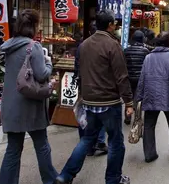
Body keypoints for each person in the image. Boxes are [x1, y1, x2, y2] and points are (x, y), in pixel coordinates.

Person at [56, 10, 133, 184]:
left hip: (89, 100)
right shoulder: (113, 45)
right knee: (115, 142)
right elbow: (121, 76)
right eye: (114, 23)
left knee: (87, 139)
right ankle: (113, 179)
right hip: (109, 101)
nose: (115, 26)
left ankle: (65, 175)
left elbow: (81, 71)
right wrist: (129, 101)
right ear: (110, 25)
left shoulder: (84, 45)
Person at [0, 9, 57, 184]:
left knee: (13, 149)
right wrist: (49, 63)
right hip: (30, 106)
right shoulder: (34, 46)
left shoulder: (8, 46)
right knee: (42, 146)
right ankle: (50, 180)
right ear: (34, 27)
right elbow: (41, 74)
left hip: (11, 106)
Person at [136, 32, 169, 163]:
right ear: (168, 43)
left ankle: (149, 154)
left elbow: (142, 78)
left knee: (149, 125)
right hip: (167, 95)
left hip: (150, 95)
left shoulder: (148, 57)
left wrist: (138, 96)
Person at [75, 23, 107, 157]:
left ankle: (86, 143)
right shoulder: (105, 45)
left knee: (84, 114)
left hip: (85, 85)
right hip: (100, 86)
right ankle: (98, 141)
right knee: (101, 114)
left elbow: (77, 66)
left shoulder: (82, 46)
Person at [123, 30, 150, 124]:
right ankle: (137, 118)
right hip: (140, 78)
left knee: (128, 97)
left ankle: (127, 117)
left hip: (129, 78)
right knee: (139, 99)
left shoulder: (126, 50)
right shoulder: (145, 51)